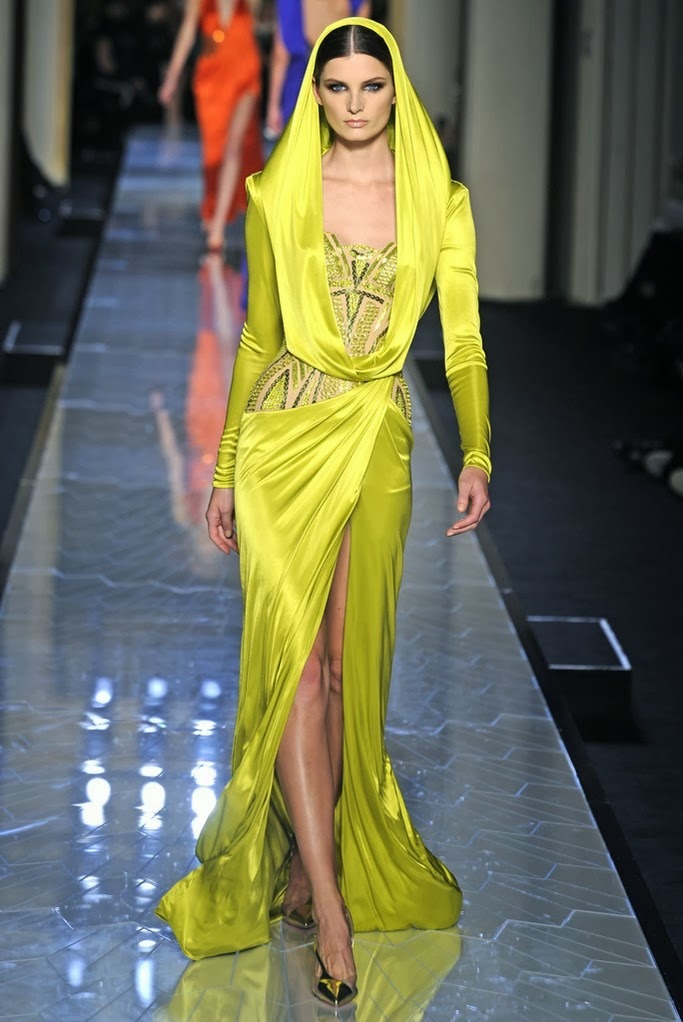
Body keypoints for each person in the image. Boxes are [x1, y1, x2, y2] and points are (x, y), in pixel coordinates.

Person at [156, 17, 491, 1009]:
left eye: (369, 87)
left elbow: (462, 341)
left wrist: (476, 449)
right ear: (315, 93)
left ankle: (312, 862)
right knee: (297, 665)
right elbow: (257, 338)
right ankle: (330, 908)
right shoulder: (276, 192)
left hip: (378, 438)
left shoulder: (439, 199)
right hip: (282, 439)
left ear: (394, 92)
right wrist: (224, 468)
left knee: (348, 669)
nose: (353, 104)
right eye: (336, 87)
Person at [158, 0, 263, 253]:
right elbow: (187, 31)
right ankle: (214, 207)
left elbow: (259, 16)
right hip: (211, 79)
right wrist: (172, 77)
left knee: (234, 146)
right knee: (214, 150)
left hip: (245, 74)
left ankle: (217, 225)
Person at [266, 0, 370, 137]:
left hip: (301, 80)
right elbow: (362, 26)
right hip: (344, 75)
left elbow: (281, 52)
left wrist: (273, 106)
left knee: (301, 143)